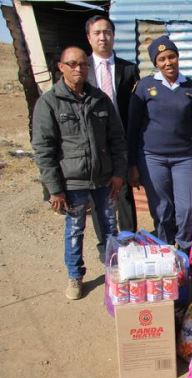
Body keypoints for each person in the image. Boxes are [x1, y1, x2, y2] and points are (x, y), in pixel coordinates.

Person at [31, 46, 127, 300]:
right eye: (72, 64)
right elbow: (43, 149)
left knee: (110, 227)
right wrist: (55, 189)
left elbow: (117, 139)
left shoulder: (100, 99)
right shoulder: (49, 103)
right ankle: (75, 276)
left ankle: (114, 270)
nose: (79, 69)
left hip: (104, 178)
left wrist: (119, 173)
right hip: (72, 183)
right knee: (75, 230)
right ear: (61, 67)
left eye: (83, 64)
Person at [127, 36, 192, 252]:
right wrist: (131, 164)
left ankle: (185, 249)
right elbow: (132, 128)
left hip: (184, 157)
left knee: (189, 207)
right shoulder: (144, 87)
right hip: (152, 158)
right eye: (162, 59)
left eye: (171, 57)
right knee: (161, 209)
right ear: (155, 63)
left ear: (178, 57)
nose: (168, 62)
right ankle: (165, 249)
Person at [85, 15, 139, 261]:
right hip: (94, 144)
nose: (103, 37)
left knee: (124, 193)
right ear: (89, 37)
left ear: (113, 36)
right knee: (98, 196)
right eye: (97, 33)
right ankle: (105, 247)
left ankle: (128, 242)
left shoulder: (129, 69)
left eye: (107, 32)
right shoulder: (83, 68)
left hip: (121, 142)